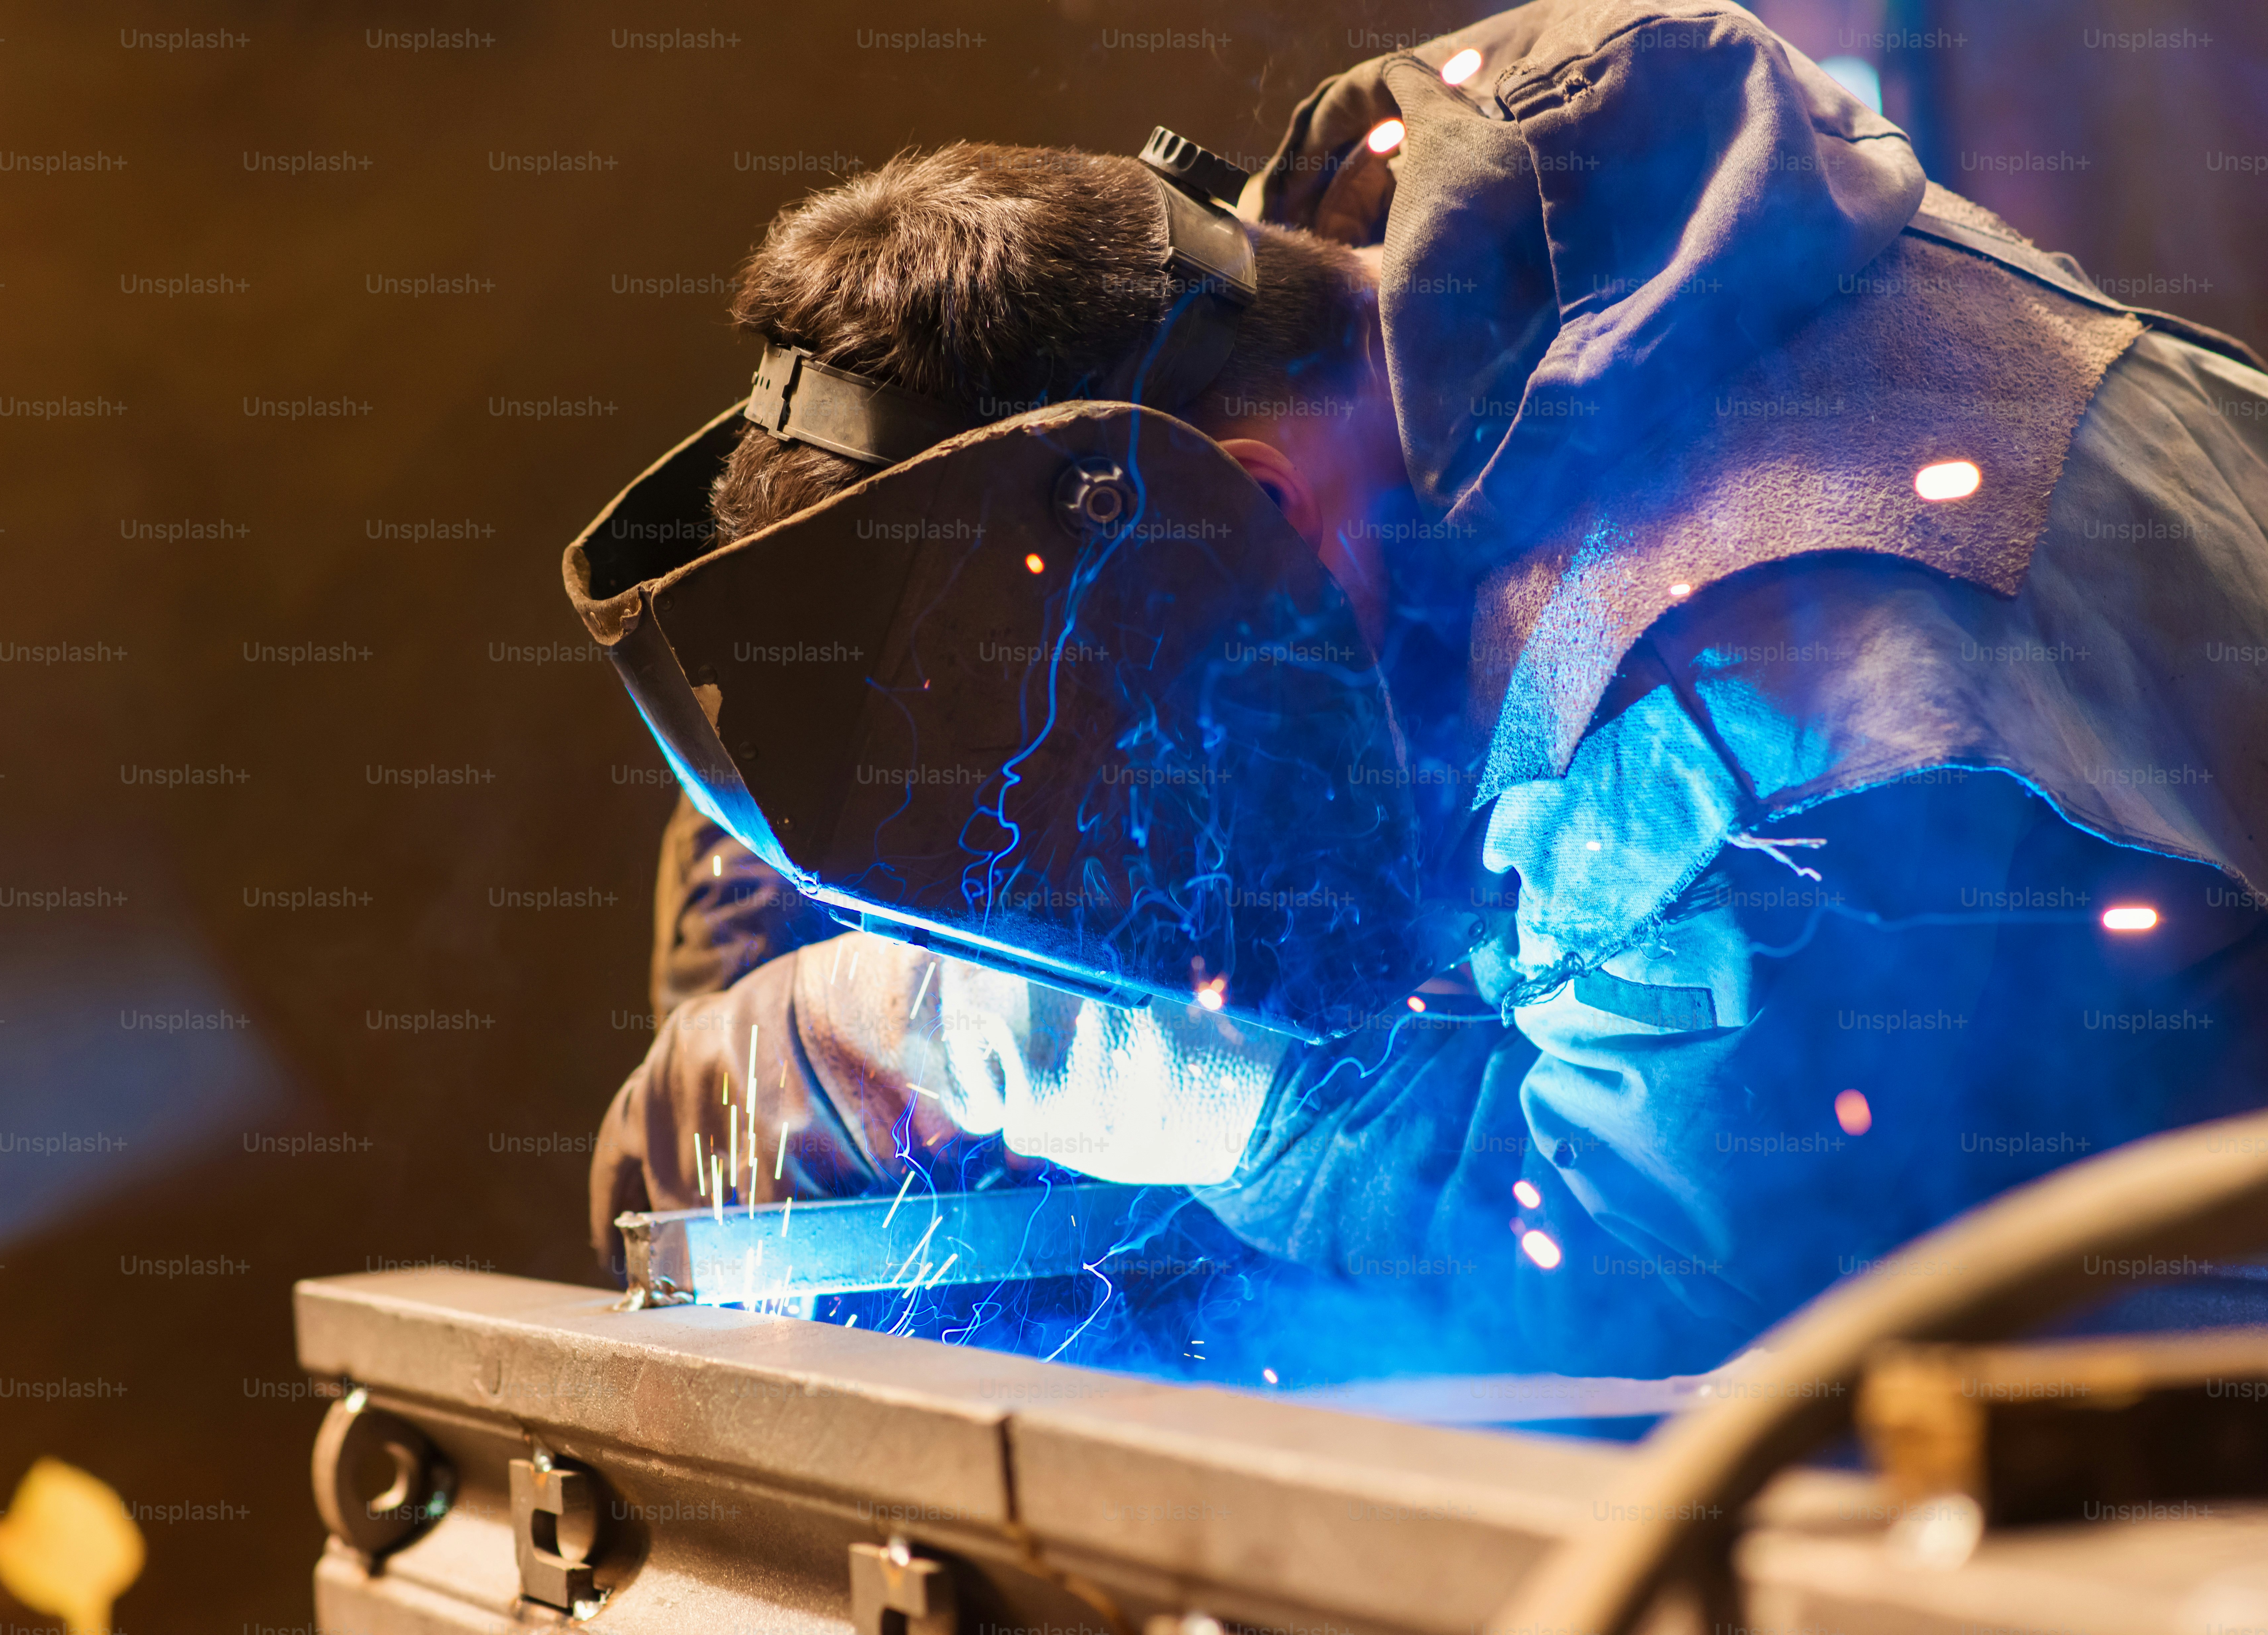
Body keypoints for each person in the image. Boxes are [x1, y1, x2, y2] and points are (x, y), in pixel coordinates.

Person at [586, 0, 2268, 1377]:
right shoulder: (1424, 265)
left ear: (1243, 508)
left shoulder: (1731, 709)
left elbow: (1629, 1282)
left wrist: (1024, 1048)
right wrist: (844, 911)